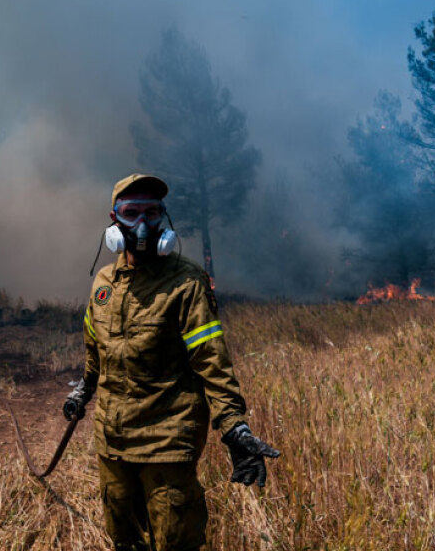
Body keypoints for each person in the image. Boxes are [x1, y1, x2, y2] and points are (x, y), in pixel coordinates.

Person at [63, 174, 279, 551]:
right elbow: (95, 348)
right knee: (124, 538)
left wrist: (234, 426)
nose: (142, 224)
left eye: (152, 213)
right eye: (131, 213)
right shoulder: (104, 282)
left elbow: (211, 360)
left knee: (174, 540)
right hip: (112, 439)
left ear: (164, 218)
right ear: (114, 220)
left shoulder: (186, 283)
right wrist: (84, 389)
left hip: (167, 439)